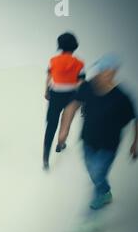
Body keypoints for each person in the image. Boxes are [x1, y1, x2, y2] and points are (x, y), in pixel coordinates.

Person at [58, 54, 137, 210]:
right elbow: (72, 106)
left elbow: (136, 118)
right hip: (87, 141)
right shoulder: (87, 87)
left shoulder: (121, 97)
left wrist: (135, 143)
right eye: (100, 71)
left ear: (113, 73)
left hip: (108, 145)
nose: (100, 75)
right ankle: (105, 191)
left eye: (107, 71)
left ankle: (91, 217)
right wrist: (64, 130)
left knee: (97, 172)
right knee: (93, 172)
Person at [43, 32, 85, 170]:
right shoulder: (80, 63)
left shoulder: (53, 60)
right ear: (74, 46)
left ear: (59, 45)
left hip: (55, 95)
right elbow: (81, 83)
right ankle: (60, 144)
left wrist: (46, 91)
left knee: (51, 125)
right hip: (71, 97)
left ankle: (45, 160)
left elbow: (49, 78)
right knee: (65, 125)